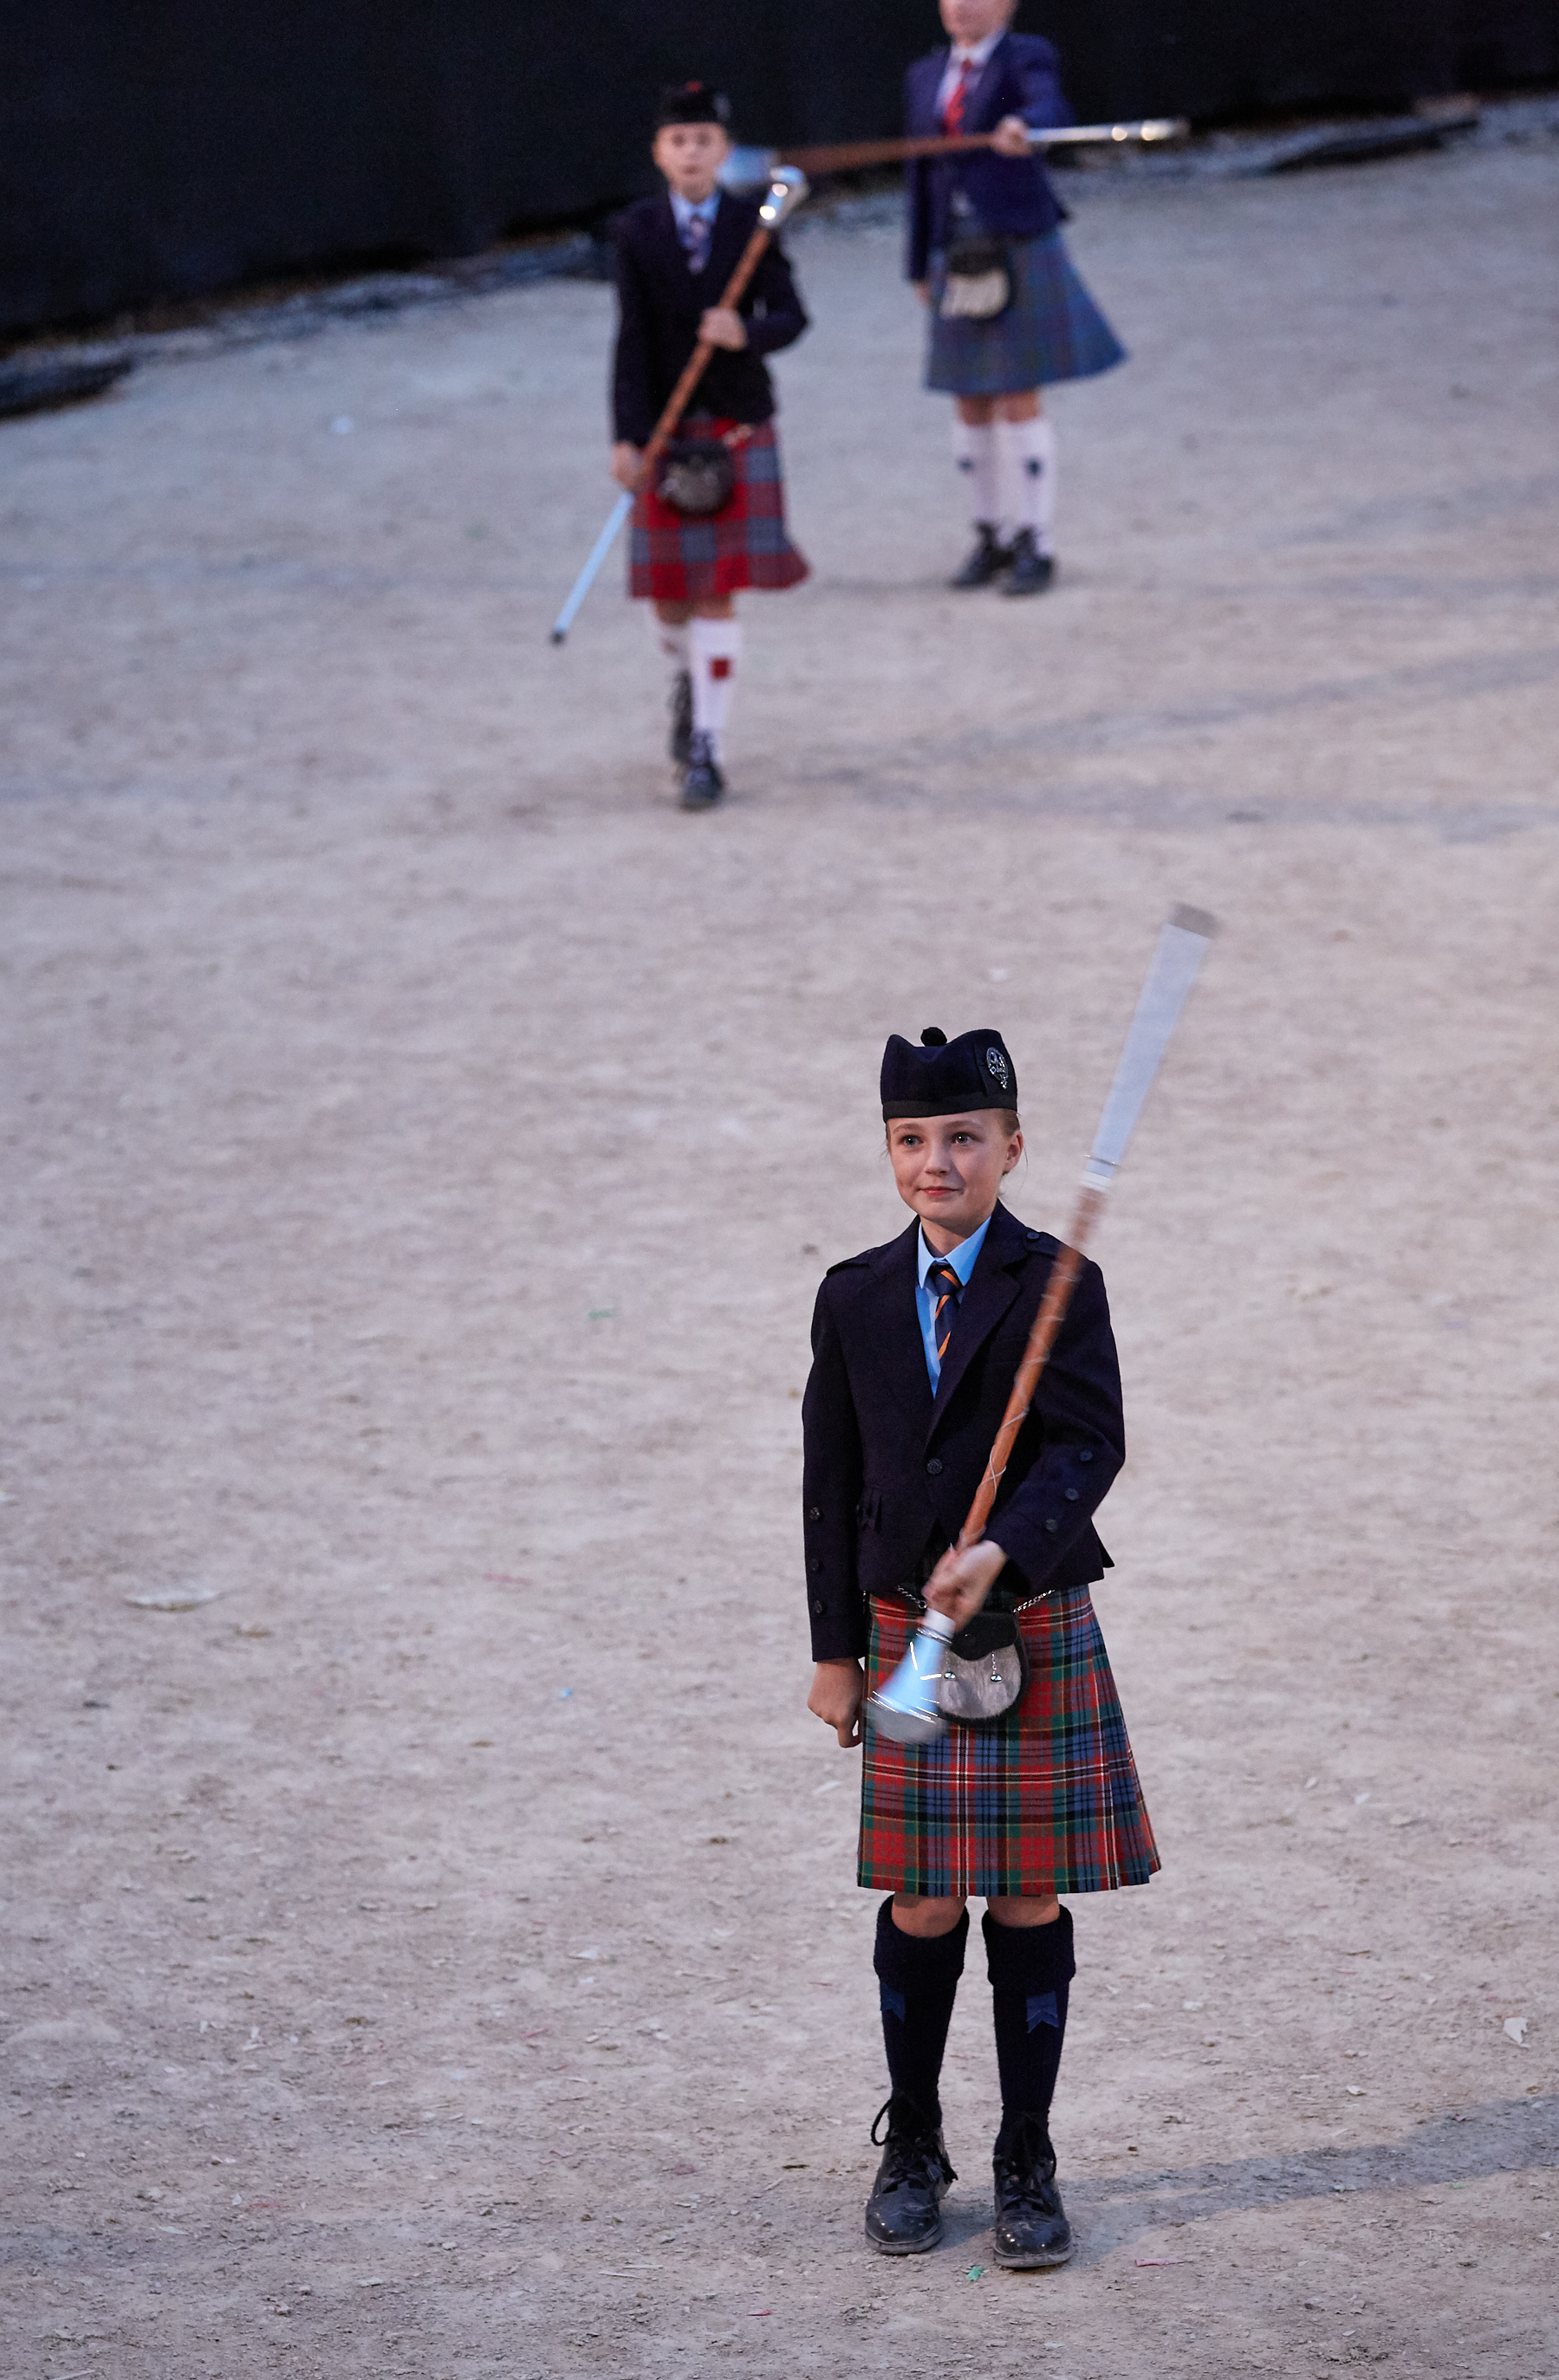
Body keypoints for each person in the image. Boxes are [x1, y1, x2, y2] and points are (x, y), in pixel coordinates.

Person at [802, 1024, 1159, 2264]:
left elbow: (1092, 1445)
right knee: (920, 1895)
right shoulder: (853, 1295)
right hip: (904, 1625)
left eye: (963, 1138)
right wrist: (835, 1650)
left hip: (1031, 1622)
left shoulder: (1057, 1282)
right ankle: (913, 2142)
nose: (936, 1162)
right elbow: (828, 1481)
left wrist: (1004, 1545)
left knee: (1023, 1892)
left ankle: (1027, 2155)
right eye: (911, 1139)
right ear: (888, 1149)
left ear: (1012, 1146)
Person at [609, 81, 810, 809]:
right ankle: (687, 680)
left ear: (724, 151)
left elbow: (791, 316)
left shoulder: (753, 226)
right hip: (667, 428)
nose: (691, 153)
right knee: (669, 602)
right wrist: (627, 438)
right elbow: (631, 341)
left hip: (735, 424)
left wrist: (743, 332)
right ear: (659, 154)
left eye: (704, 141)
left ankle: (707, 750)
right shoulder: (635, 232)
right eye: (678, 142)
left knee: (716, 594)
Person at [905, 0, 1126, 595]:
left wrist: (1027, 127)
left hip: (1016, 242)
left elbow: (1048, 104)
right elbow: (920, 175)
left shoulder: (1023, 58)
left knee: (1017, 392)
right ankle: (990, 534)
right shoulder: (924, 76)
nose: (961, 6)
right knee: (969, 397)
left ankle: (1037, 540)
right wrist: (918, 262)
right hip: (953, 247)